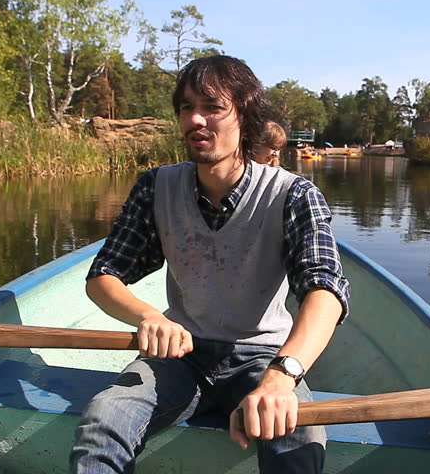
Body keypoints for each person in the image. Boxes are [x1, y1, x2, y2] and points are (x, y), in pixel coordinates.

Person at [71, 55, 350, 474]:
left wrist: (282, 375)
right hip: (181, 354)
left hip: (263, 357)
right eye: (186, 108)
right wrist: (150, 317)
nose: (196, 120)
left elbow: (325, 292)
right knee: (103, 419)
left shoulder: (294, 195)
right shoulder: (156, 186)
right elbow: (103, 276)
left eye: (212, 107)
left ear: (245, 113)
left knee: (299, 438)